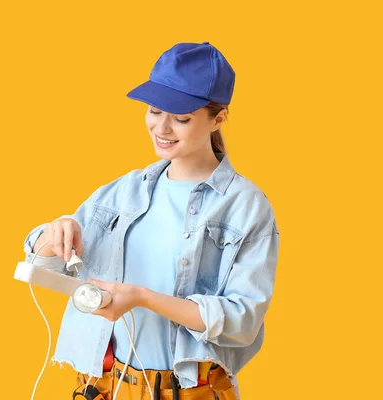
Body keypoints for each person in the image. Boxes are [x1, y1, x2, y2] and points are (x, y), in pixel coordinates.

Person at [22, 41, 280, 400]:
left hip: (191, 390)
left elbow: (241, 320)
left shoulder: (246, 206)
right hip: (104, 388)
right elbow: (42, 260)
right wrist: (54, 234)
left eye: (182, 118)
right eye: (155, 111)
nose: (162, 128)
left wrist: (143, 297)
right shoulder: (122, 192)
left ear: (218, 118)